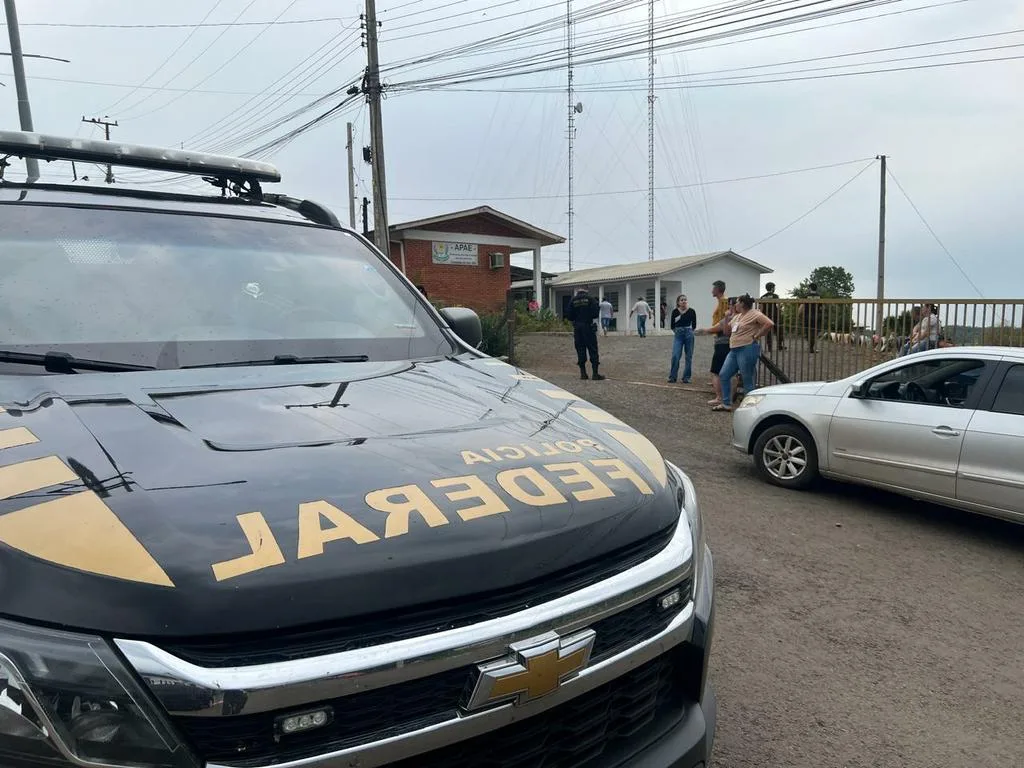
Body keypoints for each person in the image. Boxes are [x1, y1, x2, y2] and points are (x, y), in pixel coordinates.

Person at [712, 294, 775, 412]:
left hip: (747, 348)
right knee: (724, 375)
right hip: (734, 350)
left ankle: (749, 407)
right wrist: (726, 318)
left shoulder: (755, 313)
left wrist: (757, 335)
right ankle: (726, 404)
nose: (735, 304)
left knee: (747, 378)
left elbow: (769, 323)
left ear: (742, 303)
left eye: (737, 302)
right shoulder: (737, 316)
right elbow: (727, 332)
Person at [697, 280, 732, 406]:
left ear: (718, 289)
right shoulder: (721, 301)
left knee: (716, 369)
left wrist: (707, 330)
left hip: (722, 336)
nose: (711, 291)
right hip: (719, 336)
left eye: (713, 288)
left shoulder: (724, 302)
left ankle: (719, 397)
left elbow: (723, 322)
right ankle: (723, 394)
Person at [566, 286, 605, 380]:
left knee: (580, 349)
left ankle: (583, 374)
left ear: (578, 291)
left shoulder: (573, 300)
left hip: (577, 328)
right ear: (586, 291)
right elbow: (595, 314)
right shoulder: (590, 299)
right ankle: (595, 374)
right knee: (593, 349)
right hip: (588, 326)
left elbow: (569, 316)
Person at [667, 294, 697, 384]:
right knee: (675, 355)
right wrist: (677, 331)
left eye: (685, 300)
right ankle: (673, 376)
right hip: (678, 334)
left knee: (689, 356)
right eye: (681, 300)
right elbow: (672, 325)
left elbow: (694, 325)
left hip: (689, 333)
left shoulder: (691, 311)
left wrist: (690, 331)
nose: (684, 301)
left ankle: (686, 377)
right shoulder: (675, 312)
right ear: (678, 302)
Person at [759, 282, 785, 352]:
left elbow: (760, 308)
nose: (774, 289)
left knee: (768, 332)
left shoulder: (762, 297)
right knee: (779, 331)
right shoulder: (775, 296)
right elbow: (778, 305)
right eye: (774, 287)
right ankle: (779, 346)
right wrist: (780, 310)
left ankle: (770, 348)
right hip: (775, 316)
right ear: (772, 288)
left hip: (766, 317)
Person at [801, 282, 823, 354]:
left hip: (807, 316)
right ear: (816, 288)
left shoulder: (806, 296)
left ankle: (810, 346)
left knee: (808, 331)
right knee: (815, 332)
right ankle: (811, 347)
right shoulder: (819, 296)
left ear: (810, 288)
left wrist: (799, 315)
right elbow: (822, 307)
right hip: (817, 317)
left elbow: (802, 306)